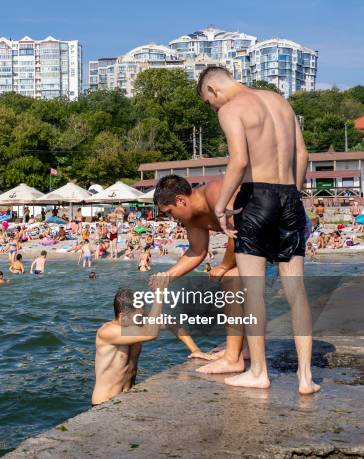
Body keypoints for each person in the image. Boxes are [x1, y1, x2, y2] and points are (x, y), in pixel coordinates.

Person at [199, 66, 318, 394]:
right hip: (290, 196)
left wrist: (221, 206)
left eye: (210, 104)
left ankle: (259, 373)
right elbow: (303, 154)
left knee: (253, 290)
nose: (214, 108)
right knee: (296, 291)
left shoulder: (231, 109)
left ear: (212, 91)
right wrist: (291, 194)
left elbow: (238, 162)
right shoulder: (280, 101)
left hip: (257, 198)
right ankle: (306, 378)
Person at [153, 175, 244, 373]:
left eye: (169, 212)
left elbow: (239, 231)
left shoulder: (216, 193)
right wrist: (167, 276)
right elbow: (197, 251)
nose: (171, 218)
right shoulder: (191, 218)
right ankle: (240, 350)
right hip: (254, 239)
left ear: (180, 200)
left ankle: (234, 358)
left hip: (279, 231)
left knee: (231, 279)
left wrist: (224, 265)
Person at [92, 282, 167, 405]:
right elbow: (151, 334)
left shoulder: (137, 327)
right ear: (123, 316)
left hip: (128, 399)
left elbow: (173, 323)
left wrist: (195, 350)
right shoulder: (107, 332)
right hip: (104, 403)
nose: (141, 319)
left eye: (142, 315)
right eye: (138, 317)